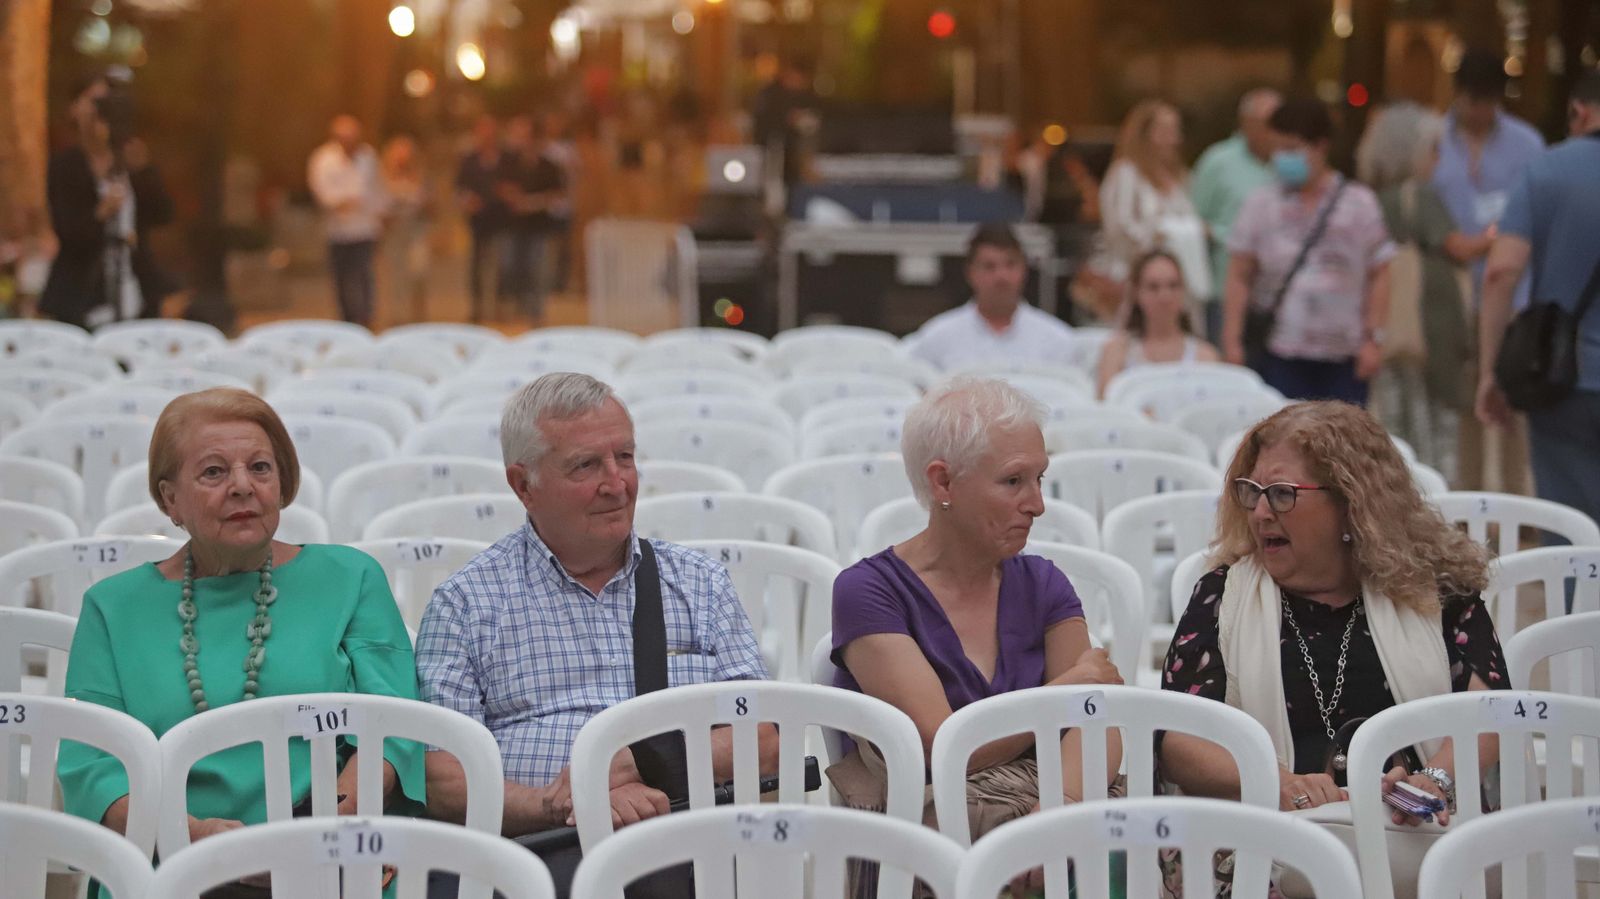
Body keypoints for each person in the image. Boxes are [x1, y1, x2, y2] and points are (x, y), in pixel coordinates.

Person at [57, 388, 425, 896]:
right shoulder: (112, 608)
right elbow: (92, 767)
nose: (242, 487)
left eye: (260, 468)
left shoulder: (350, 578)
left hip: (326, 857)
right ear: (169, 499)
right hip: (169, 866)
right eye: (213, 472)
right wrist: (197, 839)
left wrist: (318, 840)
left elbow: (393, 725)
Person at [416, 373, 777, 840]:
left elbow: (766, 737)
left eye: (624, 457)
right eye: (585, 465)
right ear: (524, 485)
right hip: (540, 854)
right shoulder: (464, 604)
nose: (617, 483)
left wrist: (640, 760)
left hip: (691, 848)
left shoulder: (700, 584)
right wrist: (562, 803)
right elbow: (442, 780)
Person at [830, 376, 1123, 894]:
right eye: (1013, 482)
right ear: (942, 484)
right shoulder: (869, 591)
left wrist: (1059, 812)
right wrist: (1065, 692)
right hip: (933, 850)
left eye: (1040, 478)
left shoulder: (1042, 583)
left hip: (1042, 825)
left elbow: (1099, 723)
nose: (1037, 504)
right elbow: (943, 745)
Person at [1160, 402, 1505, 825]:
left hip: (1415, 829)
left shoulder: (1437, 590)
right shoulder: (1222, 595)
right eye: (1253, 492)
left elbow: (1489, 711)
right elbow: (1176, 742)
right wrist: (1276, 782)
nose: (1261, 512)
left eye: (1283, 494)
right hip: (1271, 832)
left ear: (1351, 504)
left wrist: (1433, 779)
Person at [1476, 68, 1600, 532]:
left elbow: (1501, 271)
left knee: (1572, 527)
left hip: (1563, 378)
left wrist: (1492, 371)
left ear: (1579, 111)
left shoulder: (1546, 169)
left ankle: (1581, 606)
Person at [1222, 97, 1394, 405]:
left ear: (1320, 147)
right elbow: (1239, 273)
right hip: (1282, 351)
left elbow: (1380, 271)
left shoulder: (1359, 202)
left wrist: (1373, 339)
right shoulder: (1261, 204)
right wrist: (1232, 339)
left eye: (1291, 148)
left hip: (1344, 354)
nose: (1282, 158)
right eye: (1276, 149)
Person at [1356, 102, 1492, 485]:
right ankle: (1439, 503)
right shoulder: (1422, 196)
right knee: (1439, 425)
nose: (1437, 158)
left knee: (1399, 421)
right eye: (1433, 148)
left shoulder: (1371, 197)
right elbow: (1458, 247)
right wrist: (1501, 234)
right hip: (1431, 327)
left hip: (1393, 330)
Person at [1434, 48, 1544, 496]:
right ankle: (1470, 504)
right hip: (1454, 297)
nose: (1479, 109)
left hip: (1514, 294)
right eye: (1472, 99)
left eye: (1488, 100)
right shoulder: (1435, 140)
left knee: (1516, 405)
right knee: (1465, 406)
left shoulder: (1527, 143)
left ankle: (1518, 501)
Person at [40, 70, 175, 329]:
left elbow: (163, 215)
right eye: (93, 102)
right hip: (82, 294)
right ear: (74, 108)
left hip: (134, 291)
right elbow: (67, 232)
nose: (99, 113)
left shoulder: (129, 160)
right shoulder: (65, 166)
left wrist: (145, 172)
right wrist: (102, 212)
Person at [904, 223, 1075, 371]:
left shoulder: (1057, 340)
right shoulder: (937, 338)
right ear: (971, 273)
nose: (1001, 276)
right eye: (989, 266)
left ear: (1024, 269)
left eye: (1010, 264)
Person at [1098, 100, 1211, 309]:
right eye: (1165, 130)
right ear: (1145, 134)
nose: (1173, 138)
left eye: (1176, 130)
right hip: (1138, 278)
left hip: (1179, 279)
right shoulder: (1126, 173)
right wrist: (1155, 236)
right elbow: (1120, 225)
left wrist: (1194, 230)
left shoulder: (1180, 176)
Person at [1191, 89, 1283, 340]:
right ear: (1246, 124)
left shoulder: (1287, 164)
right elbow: (1194, 220)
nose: (1275, 131)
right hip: (1225, 291)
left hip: (1276, 296)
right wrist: (1225, 236)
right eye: (1268, 123)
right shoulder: (1217, 162)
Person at [1095, 250, 1220, 397]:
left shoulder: (1205, 356)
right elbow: (1107, 409)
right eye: (1153, 287)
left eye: (1173, 286)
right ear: (1136, 293)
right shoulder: (1116, 353)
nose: (1165, 296)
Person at [308, 114, 385, 328]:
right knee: (341, 277)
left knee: (363, 274)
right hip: (338, 230)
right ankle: (346, 320)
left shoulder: (368, 156)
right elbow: (321, 191)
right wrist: (341, 203)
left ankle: (365, 318)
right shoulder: (323, 159)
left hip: (364, 228)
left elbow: (375, 189)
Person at [497, 115, 567, 324]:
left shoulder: (549, 166)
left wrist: (533, 202)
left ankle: (535, 313)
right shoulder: (509, 163)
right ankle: (516, 309)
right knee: (512, 267)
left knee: (537, 269)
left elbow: (557, 194)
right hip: (514, 226)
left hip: (539, 226)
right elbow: (501, 188)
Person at [455, 115, 508, 323]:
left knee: (501, 265)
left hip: (501, 219)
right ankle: (477, 307)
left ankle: (500, 306)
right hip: (478, 221)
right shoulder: (469, 160)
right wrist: (468, 201)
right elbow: (460, 188)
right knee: (477, 265)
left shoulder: (506, 159)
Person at [379, 135, 432, 322]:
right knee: (396, 277)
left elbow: (433, 205)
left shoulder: (421, 176)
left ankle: (418, 316)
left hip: (416, 230)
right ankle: (398, 318)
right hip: (394, 232)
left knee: (419, 271)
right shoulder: (382, 178)